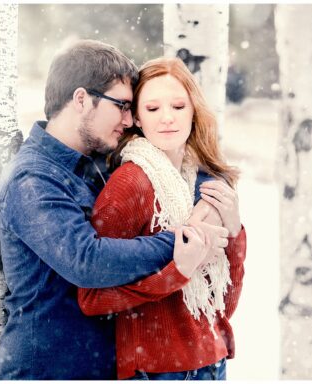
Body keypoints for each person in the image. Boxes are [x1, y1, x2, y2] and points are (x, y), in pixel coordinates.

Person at [0, 40, 230, 380]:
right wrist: (185, 239)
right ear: (81, 99)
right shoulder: (32, 178)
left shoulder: (98, 165)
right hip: (49, 370)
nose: (128, 119)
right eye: (121, 105)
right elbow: (87, 260)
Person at [78, 57, 247, 380]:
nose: (167, 118)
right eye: (153, 109)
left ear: (194, 110)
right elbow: (91, 298)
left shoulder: (201, 182)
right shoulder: (130, 184)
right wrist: (177, 272)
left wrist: (235, 231)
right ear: (137, 119)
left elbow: (222, 304)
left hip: (213, 364)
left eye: (179, 106)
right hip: (157, 371)